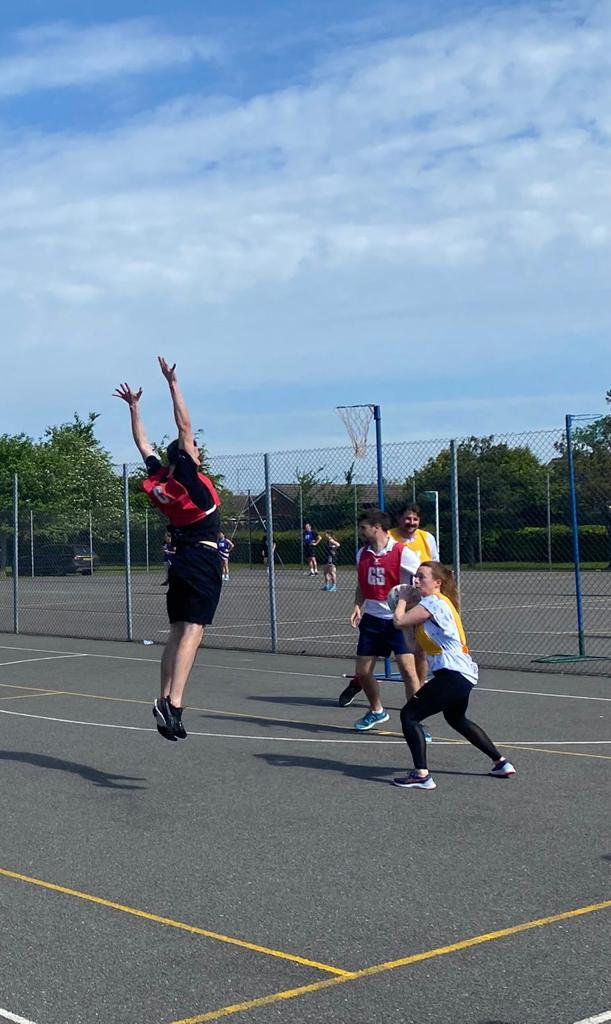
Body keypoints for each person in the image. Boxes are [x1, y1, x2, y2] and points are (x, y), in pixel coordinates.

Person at [114, 357, 222, 742]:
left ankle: (163, 698)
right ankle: (174, 703)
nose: (198, 453)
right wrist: (173, 384)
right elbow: (184, 426)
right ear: (187, 457)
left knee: (177, 630)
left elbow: (143, 444)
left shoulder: (161, 481)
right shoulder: (191, 483)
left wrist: (134, 407)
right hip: (201, 557)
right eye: (194, 451)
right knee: (194, 630)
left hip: (179, 560)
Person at [391, 561, 515, 789]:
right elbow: (412, 645)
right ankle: (501, 763)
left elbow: (398, 620)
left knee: (409, 715)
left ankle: (421, 775)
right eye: (415, 577)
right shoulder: (429, 609)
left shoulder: (434, 602)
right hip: (460, 675)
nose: (415, 581)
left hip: (453, 674)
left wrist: (401, 600)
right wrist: (404, 617)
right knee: (456, 718)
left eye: (421, 577)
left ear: (437, 583)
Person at [339, 509, 424, 732]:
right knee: (363, 672)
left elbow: (422, 581)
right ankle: (377, 711)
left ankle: (415, 722)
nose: (361, 531)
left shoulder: (402, 553)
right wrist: (358, 605)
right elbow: (361, 584)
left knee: (408, 670)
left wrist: (414, 609)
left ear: (376, 527)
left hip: (398, 621)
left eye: (363, 527)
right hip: (372, 620)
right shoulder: (362, 554)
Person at [389, 503, 439, 580]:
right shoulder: (388, 537)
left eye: (415, 519)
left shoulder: (427, 537)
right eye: (408, 519)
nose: (412, 523)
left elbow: (435, 564)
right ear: (399, 518)